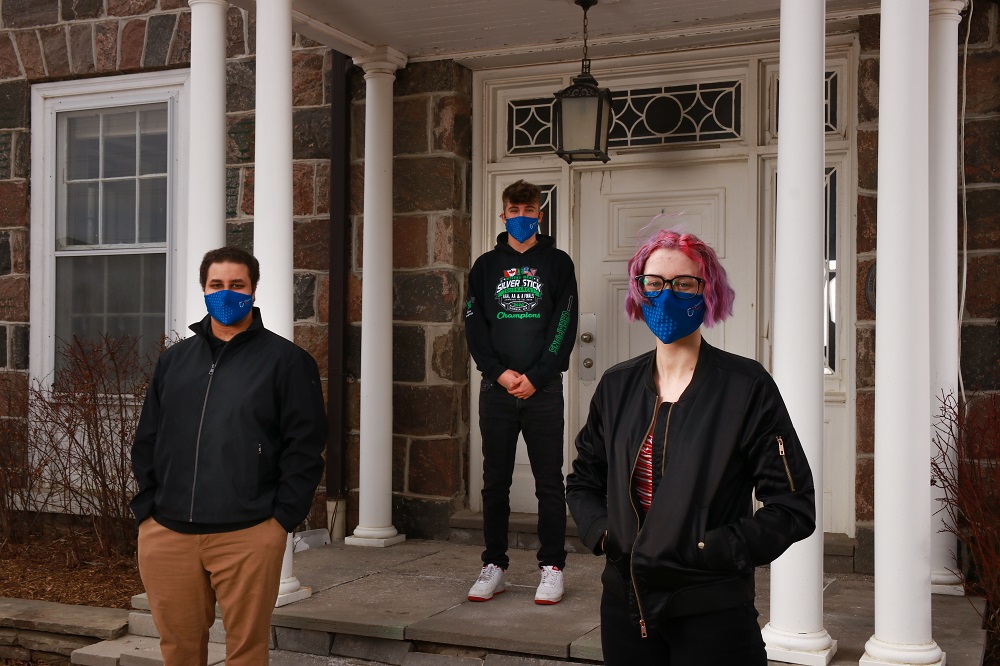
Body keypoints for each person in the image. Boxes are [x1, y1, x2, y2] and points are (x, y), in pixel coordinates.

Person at [566, 228, 815, 665]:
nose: (666, 296)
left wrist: (712, 549)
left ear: (708, 291)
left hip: (711, 607)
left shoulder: (746, 386)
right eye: (654, 283)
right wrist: (605, 533)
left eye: (684, 284)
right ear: (638, 292)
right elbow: (584, 480)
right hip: (625, 606)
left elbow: (793, 506)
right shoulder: (616, 385)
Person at [131, 246, 327, 666]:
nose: (226, 293)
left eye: (236, 285)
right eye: (216, 285)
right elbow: (148, 437)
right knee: (178, 651)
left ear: (253, 290)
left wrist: (280, 521)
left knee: (246, 653)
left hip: (248, 533)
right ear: (203, 289)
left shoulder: (287, 362)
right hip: (167, 532)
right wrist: (147, 509)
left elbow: (305, 448)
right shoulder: (174, 361)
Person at [464, 179, 579, 605]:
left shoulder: (558, 263)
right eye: (514, 209)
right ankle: (494, 565)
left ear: (540, 214)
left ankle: (552, 568)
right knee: (495, 481)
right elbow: (474, 325)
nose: (521, 217)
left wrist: (538, 374)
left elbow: (564, 323)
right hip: (496, 391)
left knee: (549, 481)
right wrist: (499, 373)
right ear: (503, 214)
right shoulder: (484, 267)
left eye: (529, 209)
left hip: (543, 390)